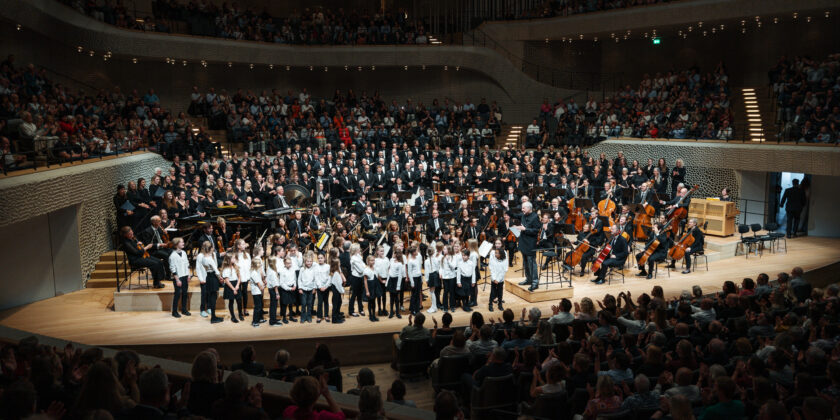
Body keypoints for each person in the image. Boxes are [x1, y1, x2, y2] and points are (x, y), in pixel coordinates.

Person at [504, 200, 540, 291]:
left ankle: (535, 282)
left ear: (529, 208)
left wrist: (524, 229)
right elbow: (513, 215)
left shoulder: (535, 217)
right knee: (525, 262)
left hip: (531, 243)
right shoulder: (523, 215)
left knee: (532, 263)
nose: (522, 209)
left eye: (523, 208)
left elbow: (536, 230)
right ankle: (528, 279)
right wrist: (507, 208)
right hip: (523, 242)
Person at [196, 241, 223, 323]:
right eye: (212, 247)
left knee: (211, 296)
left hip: (209, 276)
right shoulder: (204, 257)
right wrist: (220, 278)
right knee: (210, 296)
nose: (213, 249)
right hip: (211, 277)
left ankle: (211, 311)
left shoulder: (207, 257)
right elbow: (215, 270)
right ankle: (211, 315)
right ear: (209, 248)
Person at [167, 237, 191, 318]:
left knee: (185, 293)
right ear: (177, 244)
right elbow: (172, 269)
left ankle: (184, 309)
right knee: (177, 294)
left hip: (185, 276)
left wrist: (188, 274)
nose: (183, 243)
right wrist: (177, 280)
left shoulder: (184, 252)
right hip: (178, 278)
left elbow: (187, 264)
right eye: (182, 242)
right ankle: (174, 311)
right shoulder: (172, 256)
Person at [220, 254, 242, 323]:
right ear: (228, 260)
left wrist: (238, 285)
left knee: (239, 301)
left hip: (236, 284)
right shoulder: (226, 269)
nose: (234, 259)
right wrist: (233, 289)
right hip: (230, 286)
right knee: (231, 301)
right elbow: (227, 281)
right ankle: (233, 316)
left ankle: (240, 314)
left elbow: (239, 277)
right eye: (233, 258)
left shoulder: (235, 267)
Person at [297, 251, 317, 323]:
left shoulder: (314, 269)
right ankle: (303, 317)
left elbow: (315, 279)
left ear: (312, 261)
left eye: (310, 261)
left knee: (309, 303)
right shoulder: (302, 269)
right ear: (305, 262)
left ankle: (309, 316)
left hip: (311, 289)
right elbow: (299, 279)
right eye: (307, 261)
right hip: (303, 289)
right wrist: (300, 288)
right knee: (303, 303)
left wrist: (314, 288)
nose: (309, 263)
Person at [387, 247, 407, 318]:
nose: (392, 254)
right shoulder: (391, 260)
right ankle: (391, 312)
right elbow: (389, 272)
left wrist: (398, 286)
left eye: (393, 253)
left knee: (396, 298)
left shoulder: (400, 264)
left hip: (396, 281)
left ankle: (397, 312)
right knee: (391, 297)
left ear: (396, 254)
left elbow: (399, 276)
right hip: (391, 280)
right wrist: (387, 282)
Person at [278, 256, 298, 323]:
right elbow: (281, 283)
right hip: (285, 289)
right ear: (284, 263)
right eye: (287, 263)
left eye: (290, 263)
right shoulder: (282, 271)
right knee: (284, 304)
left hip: (292, 287)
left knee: (291, 303)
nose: (289, 264)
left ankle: (291, 317)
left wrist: (295, 285)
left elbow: (294, 278)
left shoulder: (293, 269)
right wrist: (289, 288)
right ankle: (284, 317)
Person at [348, 243, 366, 317]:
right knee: (354, 294)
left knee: (360, 294)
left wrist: (364, 267)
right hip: (355, 278)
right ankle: (351, 311)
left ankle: (360, 309)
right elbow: (361, 269)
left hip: (360, 277)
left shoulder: (358, 256)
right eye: (358, 248)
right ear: (355, 250)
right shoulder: (354, 259)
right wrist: (364, 267)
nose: (360, 249)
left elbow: (364, 265)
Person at [249, 251, 266, 327]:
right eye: (259, 264)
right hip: (256, 292)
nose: (260, 265)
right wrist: (264, 286)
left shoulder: (257, 271)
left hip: (258, 291)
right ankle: (255, 321)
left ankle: (259, 318)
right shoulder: (254, 273)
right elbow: (259, 284)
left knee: (259, 306)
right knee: (257, 307)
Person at [424, 245, 442, 314]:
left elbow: (426, 271)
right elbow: (438, 268)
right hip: (436, 275)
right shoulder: (436, 259)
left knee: (432, 292)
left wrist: (426, 279)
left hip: (431, 276)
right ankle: (434, 306)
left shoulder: (426, 261)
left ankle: (434, 307)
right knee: (433, 292)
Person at [406, 246, 423, 315]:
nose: (417, 252)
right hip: (414, 278)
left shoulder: (416, 259)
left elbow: (419, 269)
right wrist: (412, 282)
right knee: (414, 295)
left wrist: (421, 278)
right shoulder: (410, 261)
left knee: (418, 293)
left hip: (418, 277)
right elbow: (409, 272)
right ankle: (413, 310)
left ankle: (417, 309)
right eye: (416, 251)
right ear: (413, 253)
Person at [264, 255, 281, 326]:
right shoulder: (273, 272)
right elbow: (275, 284)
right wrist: (277, 293)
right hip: (274, 290)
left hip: (271, 289)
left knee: (272, 305)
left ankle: (273, 318)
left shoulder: (269, 268)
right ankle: (272, 321)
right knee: (273, 306)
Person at [328, 259, 346, 324]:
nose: (340, 264)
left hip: (337, 291)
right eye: (339, 263)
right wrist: (342, 291)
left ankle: (337, 316)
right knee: (335, 305)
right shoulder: (336, 274)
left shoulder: (336, 272)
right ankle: (334, 319)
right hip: (336, 291)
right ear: (336, 265)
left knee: (339, 303)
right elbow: (338, 285)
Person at [362, 255, 379, 322]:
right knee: (370, 302)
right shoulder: (366, 270)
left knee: (374, 302)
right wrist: (367, 291)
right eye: (371, 260)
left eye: (374, 260)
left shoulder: (375, 268)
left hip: (374, 286)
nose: (373, 262)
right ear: (368, 262)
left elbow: (376, 277)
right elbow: (365, 281)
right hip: (369, 287)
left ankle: (374, 315)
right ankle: (370, 316)